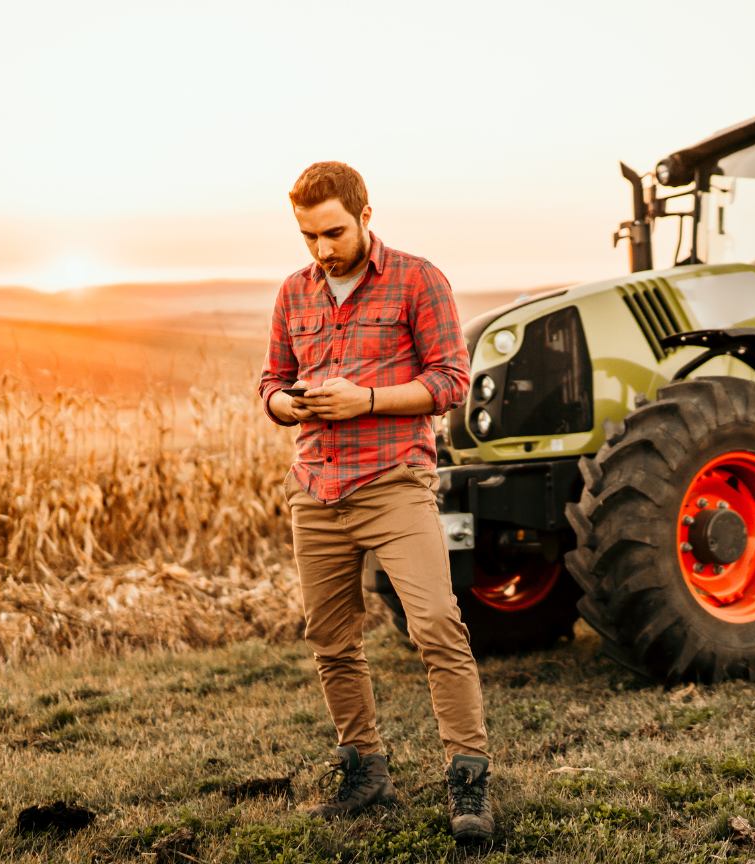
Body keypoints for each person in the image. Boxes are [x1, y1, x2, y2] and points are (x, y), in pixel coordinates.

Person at [257, 161, 493, 841]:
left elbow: (451, 380)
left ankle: (468, 783)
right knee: (330, 640)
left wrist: (365, 401)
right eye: (308, 237)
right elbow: (272, 380)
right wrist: (285, 402)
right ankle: (365, 776)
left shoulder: (419, 279)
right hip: (317, 488)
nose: (322, 249)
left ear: (365, 216)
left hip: (393, 482)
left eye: (333, 232)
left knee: (436, 627)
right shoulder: (294, 293)